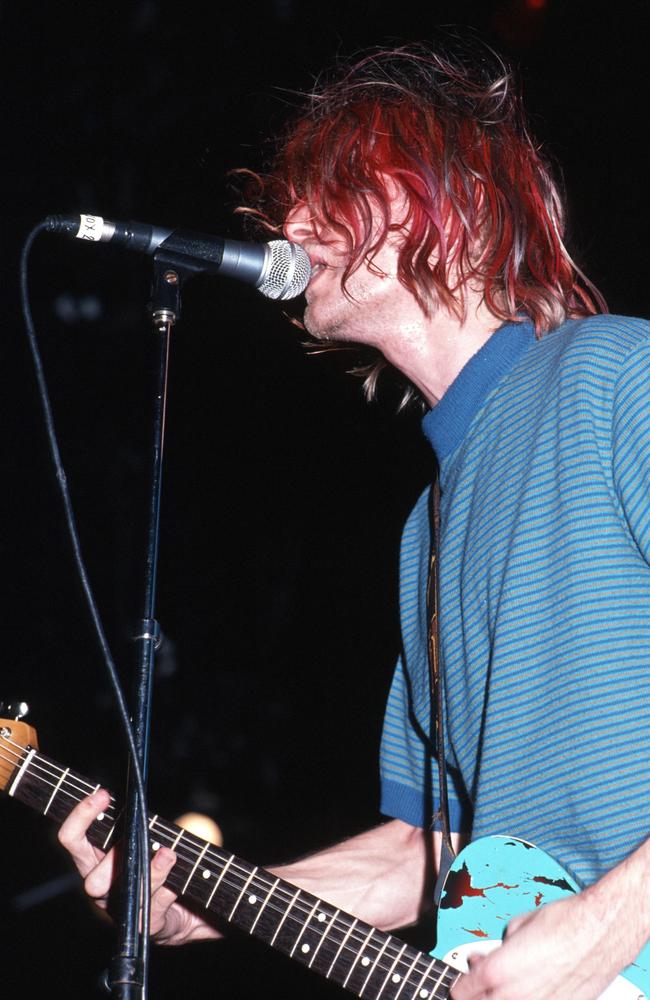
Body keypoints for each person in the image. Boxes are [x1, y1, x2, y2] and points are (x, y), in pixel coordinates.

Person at [58, 38, 650, 1000]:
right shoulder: (429, 525)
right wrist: (192, 904)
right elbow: (425, 854)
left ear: (442, 205)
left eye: (335, 188)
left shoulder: (618, 376)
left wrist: (602, 926)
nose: (291, 221)